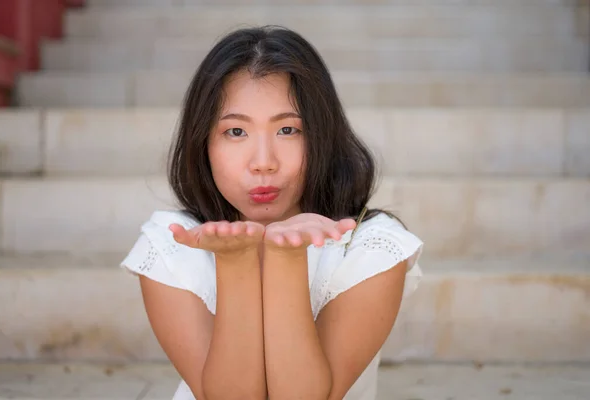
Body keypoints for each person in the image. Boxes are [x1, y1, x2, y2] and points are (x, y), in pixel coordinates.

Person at [121, 25, 423, 400]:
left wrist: (286, 255)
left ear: (322, 135)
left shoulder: (370, 247)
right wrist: (235, 262)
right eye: (235, 132)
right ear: (203, 143)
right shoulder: (172, 243)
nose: (263, 163)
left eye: (288, 130)